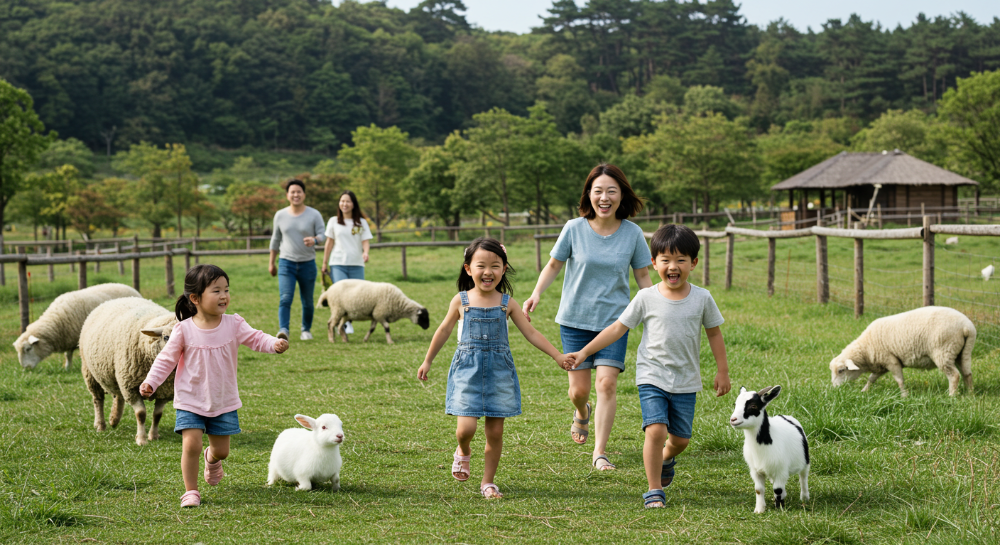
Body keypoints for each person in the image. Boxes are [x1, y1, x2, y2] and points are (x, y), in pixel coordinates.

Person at [565, 224, 730, 508]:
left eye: (681, 260)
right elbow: (617, 328)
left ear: (694, 262)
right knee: (655, 431)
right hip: (651, 376)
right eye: (665, 260)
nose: (673, 266)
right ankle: (654, 490)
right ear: (654, 263)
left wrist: (722, 370)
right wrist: (584, 352)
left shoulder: (702, 298)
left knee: (680, 441)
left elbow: (714, 332)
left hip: (686, 380)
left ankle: (667, 458)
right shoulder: (646, 297)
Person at [417, 238, 574, 499]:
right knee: (465, 429)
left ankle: (487, 482)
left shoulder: (507, 303)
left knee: (495, 432)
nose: (488, 272)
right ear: (468, 269)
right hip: (467, 372)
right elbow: (444, 330)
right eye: (481, 266)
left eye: (495, 266)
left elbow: (531, 333)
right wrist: (428, 360)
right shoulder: (461, 300)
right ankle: (463, 451)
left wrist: (557, 355)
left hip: (499, 373)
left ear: (503, 269)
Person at [522, 163, 652, 470]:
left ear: (622, 195)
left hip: (615, 323)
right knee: (578, 390)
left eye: (611, 191)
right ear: (588, 195)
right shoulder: (573, 228)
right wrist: (537, 292)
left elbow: (644, 276)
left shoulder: (633, 234)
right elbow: (554, 265)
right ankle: (582, 411)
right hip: (574, 320)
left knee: (606, 384)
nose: (604, 197)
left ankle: (600, 452)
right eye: (598, 191)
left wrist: (657, 310)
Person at [140, 264, 289, 508]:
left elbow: (256, 337)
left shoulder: (233, 324)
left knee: (222, 451)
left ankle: (212, 458)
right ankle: (191, 492)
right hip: (191, 399)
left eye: (226, 290)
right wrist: (150, 382)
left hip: (223, 400)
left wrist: (274, 343)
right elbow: (166, 359)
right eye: (216, 291)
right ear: (195, 298)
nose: (223, 296)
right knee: (192, 444)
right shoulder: (183, 330)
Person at [269, 179, 326, 341]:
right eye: (292, 192)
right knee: (285, 297)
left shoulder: (314, 214)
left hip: (308, 263)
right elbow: (275, 240)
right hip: (286, 263)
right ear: (287, 195)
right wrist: (271, 263)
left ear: (304, 194)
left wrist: (315, 240)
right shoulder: (280, 215)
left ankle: (306, 329)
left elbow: (323, 234)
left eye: (299, 191)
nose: (296, 195)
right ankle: (284, 330)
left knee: (307, 301)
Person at [321, 190, 373, 335]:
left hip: (356, 263)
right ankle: (340, 324)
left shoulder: (361, 222)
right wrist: (324, 263)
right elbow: (329, 243)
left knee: (355, 296)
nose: (344, 204)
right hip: (338, 263)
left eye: (348, 201)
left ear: (353, 204)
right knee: (341, 295)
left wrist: (365, 252)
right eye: (342, 201)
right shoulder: (333, 221)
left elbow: (365, 241)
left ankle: (348, 323)